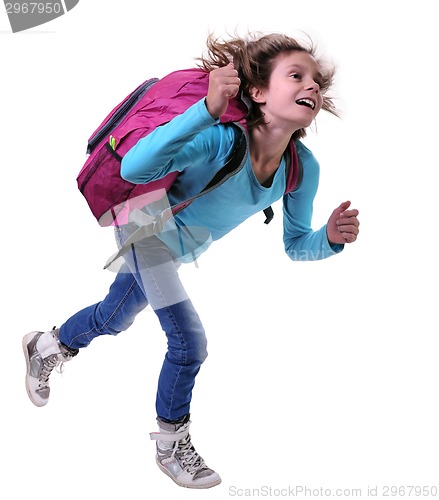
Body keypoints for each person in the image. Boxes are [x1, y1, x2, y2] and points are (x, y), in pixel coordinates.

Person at [22, 32, 360, 489]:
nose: (313, 86)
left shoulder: (301, 168)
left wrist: (330, 239)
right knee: (189, 341)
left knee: (115, 316)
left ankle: (46, 346)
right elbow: (134, 169)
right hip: (144, 226)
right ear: (257, 92)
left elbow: (297, 243)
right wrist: (203, 111)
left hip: (184, 247)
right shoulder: (220, 140)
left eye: (317, 81)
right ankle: (170, 443)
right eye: (297, 75)